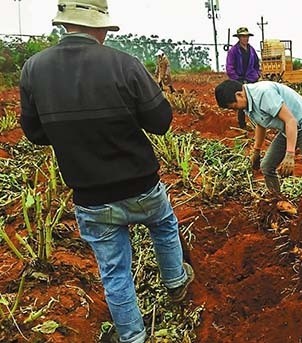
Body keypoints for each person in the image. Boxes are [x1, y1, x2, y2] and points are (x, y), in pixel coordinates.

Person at [19, 2, 194, 343]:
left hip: (91, 196)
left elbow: (35, 133)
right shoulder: (123, 64)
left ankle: (132, 336)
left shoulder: (32, 69)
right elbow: (161, 122)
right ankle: (176, 284)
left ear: (65, 25)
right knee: (163, 224)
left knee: (115, 272)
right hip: (141, 185)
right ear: (100, 28)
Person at [214, 80, 302, 205]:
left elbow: (291, 120)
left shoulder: (264, 93)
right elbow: (260, 125)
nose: (235, 110)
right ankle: (278, 202)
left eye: (234, 106)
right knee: (266, 166)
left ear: (239, 94)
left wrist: (290, 154)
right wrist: (256, 151)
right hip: (287, 130)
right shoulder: (247, 103)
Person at [226, 27, 261, 130]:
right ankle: (242, 124)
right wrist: (237, 78)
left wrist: (256, 75)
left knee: (254, 101)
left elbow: (256, 64)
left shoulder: (252, 50)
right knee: (241, 102)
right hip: (239, 79)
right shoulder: (233, 51)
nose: (245, 38)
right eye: (243, 36)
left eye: (246, 36)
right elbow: (230, 67)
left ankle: (256, 124)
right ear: (239, 38)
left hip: (251, 79)